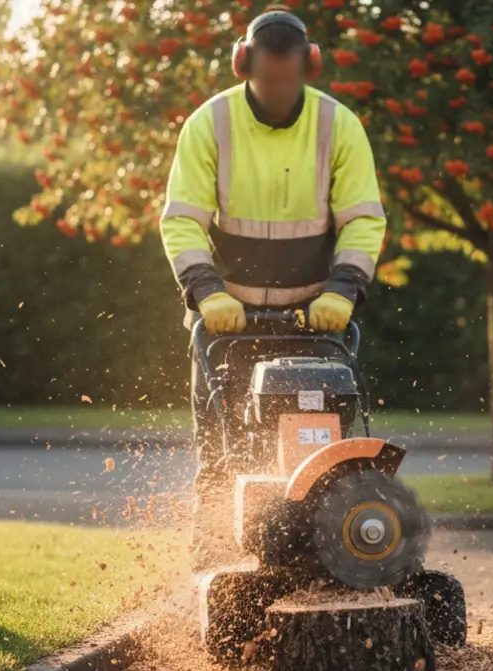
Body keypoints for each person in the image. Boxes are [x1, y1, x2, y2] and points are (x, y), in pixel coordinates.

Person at [159, 8, 385, 552]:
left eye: (288, 78)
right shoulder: (210, 124)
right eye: (269, 79)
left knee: (324, 449)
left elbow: (362, 219)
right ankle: (215, 553)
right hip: (227, 322)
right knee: (223, 452)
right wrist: (208, 292)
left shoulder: (338, 125)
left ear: (309, 67)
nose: (279, 90)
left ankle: (331, 551)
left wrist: (343, 290)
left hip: (315, 319)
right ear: (245, 65)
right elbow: (182, 219)